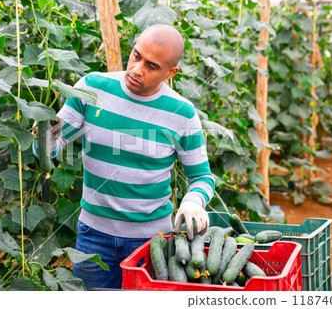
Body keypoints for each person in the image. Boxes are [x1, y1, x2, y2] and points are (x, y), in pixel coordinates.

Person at [33, 24, 215, 289]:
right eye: (136, 55)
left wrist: (193, 202)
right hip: (92, 238)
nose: (136, 69)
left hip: (151, 243)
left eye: (151, 66)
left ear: (170, 73)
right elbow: (46, 153)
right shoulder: (92, 88)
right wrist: (45, 128)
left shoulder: (182, 113)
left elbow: (202, 177)